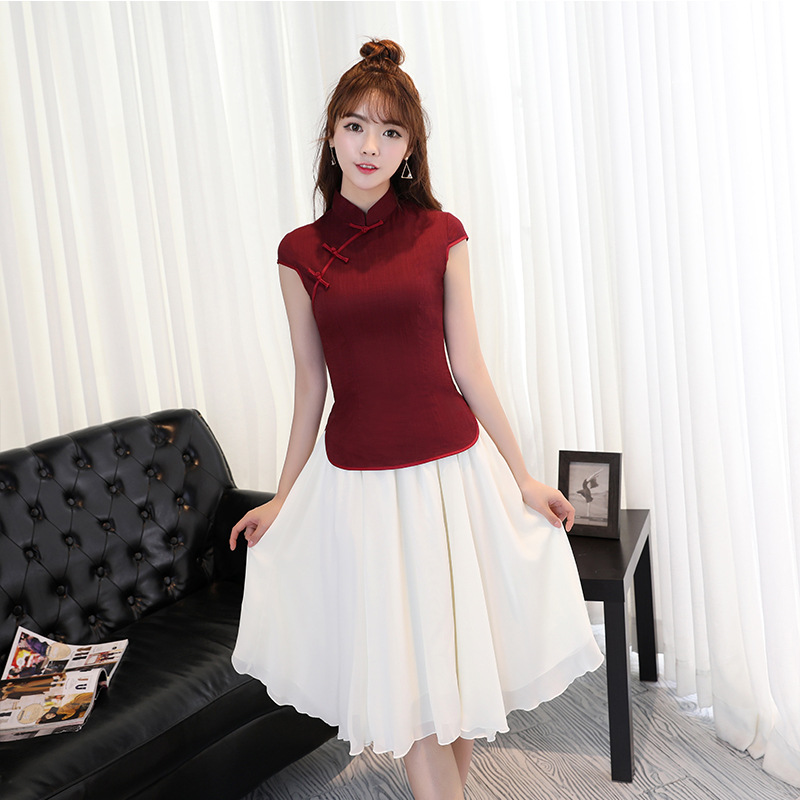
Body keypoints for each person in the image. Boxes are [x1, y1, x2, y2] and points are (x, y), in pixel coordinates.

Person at [230, 39, 603, 800]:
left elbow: (470, 365)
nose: (370, 146)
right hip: (362, 491)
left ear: (410, 150)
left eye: (390, 131)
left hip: (451, 479)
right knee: (416, 693)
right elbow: (310, 386)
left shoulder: (442, 234)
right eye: (356, 126)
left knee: (451, 685)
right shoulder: (299, 254)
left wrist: (524, 477)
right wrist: (283, 496)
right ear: (331, 136)